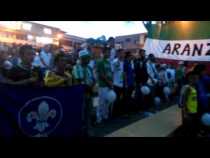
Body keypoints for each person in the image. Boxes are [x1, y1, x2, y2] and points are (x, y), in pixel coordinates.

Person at [72, 49, 95, 136]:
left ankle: (88, 128)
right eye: (87, 58)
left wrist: (92, 87)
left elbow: (93, 79)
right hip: (81, 94)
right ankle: (80, 129)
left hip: (90, 92)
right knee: (80, 113)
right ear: (82, 58)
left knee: (88, 112)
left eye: (89, 58)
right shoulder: (76, 67)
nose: (89, 60)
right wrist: (88, 88)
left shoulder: (89, 67)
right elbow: (78, 81)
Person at [96, 47, 115, 123]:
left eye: (110, 52)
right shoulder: (100, 62)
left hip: (108, 85)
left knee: (107, 102)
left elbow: (110, 73)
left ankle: (105, 116)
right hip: (102, 85)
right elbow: (101, 75)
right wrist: (109, 83)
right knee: (101, 102)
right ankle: (99, 118)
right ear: (103, 53)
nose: (109, 53)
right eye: (107, 52)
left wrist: (111, 82)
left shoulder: (108, 62)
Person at [179, 71, 199, 136]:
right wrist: (185, 112)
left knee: (192, 126)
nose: (197, 80)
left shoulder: (194, 87)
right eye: (195, 78)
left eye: (197, 78)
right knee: (188, 127)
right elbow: (183, 100)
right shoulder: (187, 88)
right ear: (190, 79)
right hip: (188, 111)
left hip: (194, 110)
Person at [111, 49, 125, 117]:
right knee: (116, 100)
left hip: (122, 83)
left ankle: (119, 113)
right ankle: (114, 114)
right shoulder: (115, 62)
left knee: (121, 99)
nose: (123, 54)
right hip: (116, 84)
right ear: (118, 54)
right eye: (121, 53)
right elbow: (112, 73)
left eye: (123, 53)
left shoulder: (124, 62)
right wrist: (111, 83)